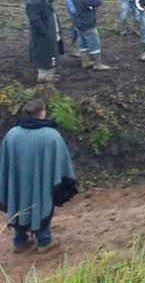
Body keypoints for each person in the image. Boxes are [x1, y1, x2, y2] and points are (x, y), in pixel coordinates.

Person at [0, 99, 77, 253]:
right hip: (42, 183)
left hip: (18, 184)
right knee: (42, 200)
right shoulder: (51, 136)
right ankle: (44, 240)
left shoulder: (12, 134)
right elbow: (62, 163)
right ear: (42, 113)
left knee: (17, 202)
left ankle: (19, 240)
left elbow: (5, 165)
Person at [24, 0, 62, 83]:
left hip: (50, 32)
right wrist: (45, 33)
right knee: (45, 55)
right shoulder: (33, 3)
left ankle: (49, 76)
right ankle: (44, 78)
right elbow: (35, 21)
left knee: (51, 54)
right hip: (44, 35)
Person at [72, 0, 111, 71]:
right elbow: (98, 2)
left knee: (82, 43)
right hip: (87, 23)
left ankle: (85, 62)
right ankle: (98, 64)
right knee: (95, 43)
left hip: (78, 23)